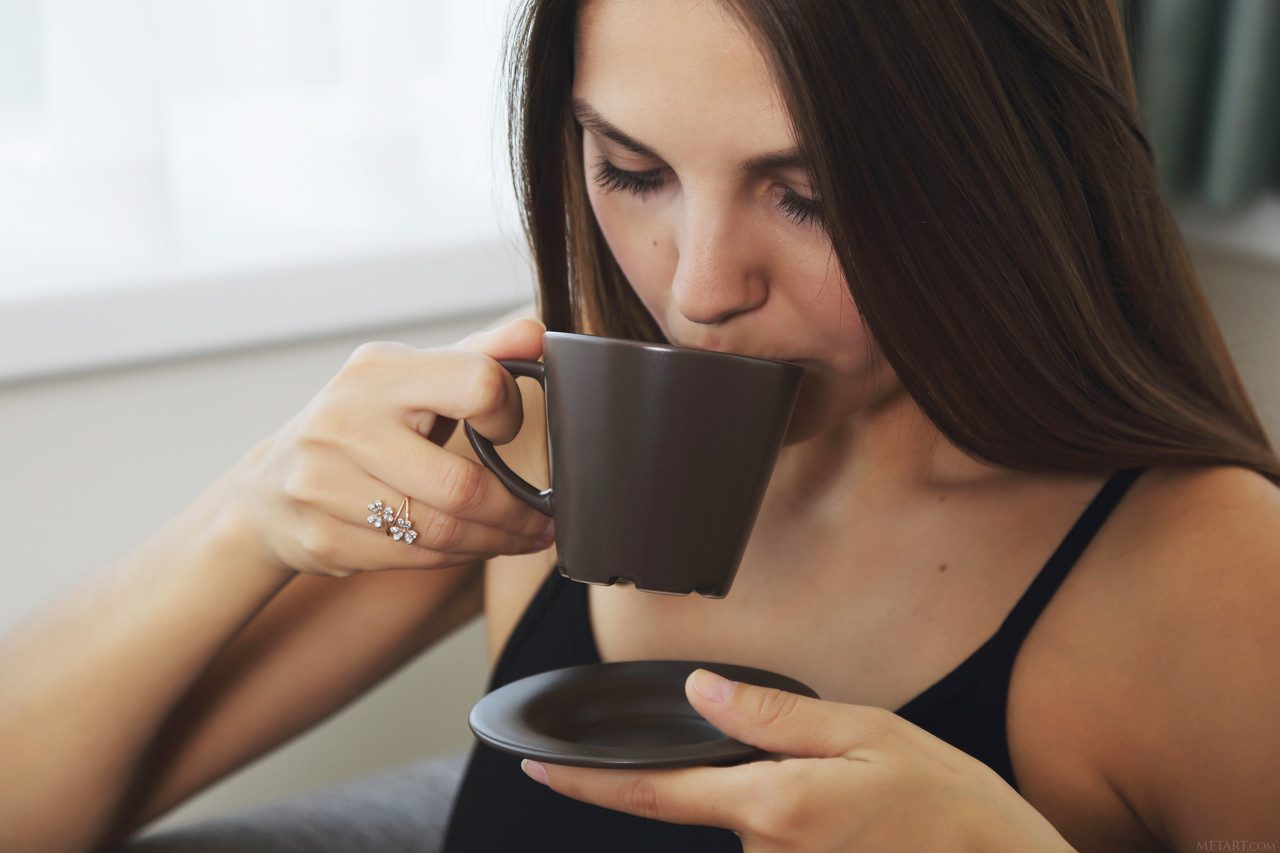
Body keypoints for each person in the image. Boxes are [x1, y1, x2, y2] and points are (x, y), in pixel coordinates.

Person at [2, 0, 1278, 850]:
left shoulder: (1209, 583)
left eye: (812, 197)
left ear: (1016, 177)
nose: (695, 288)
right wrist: (247, 513)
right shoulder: (553, 430)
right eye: (631, 169)